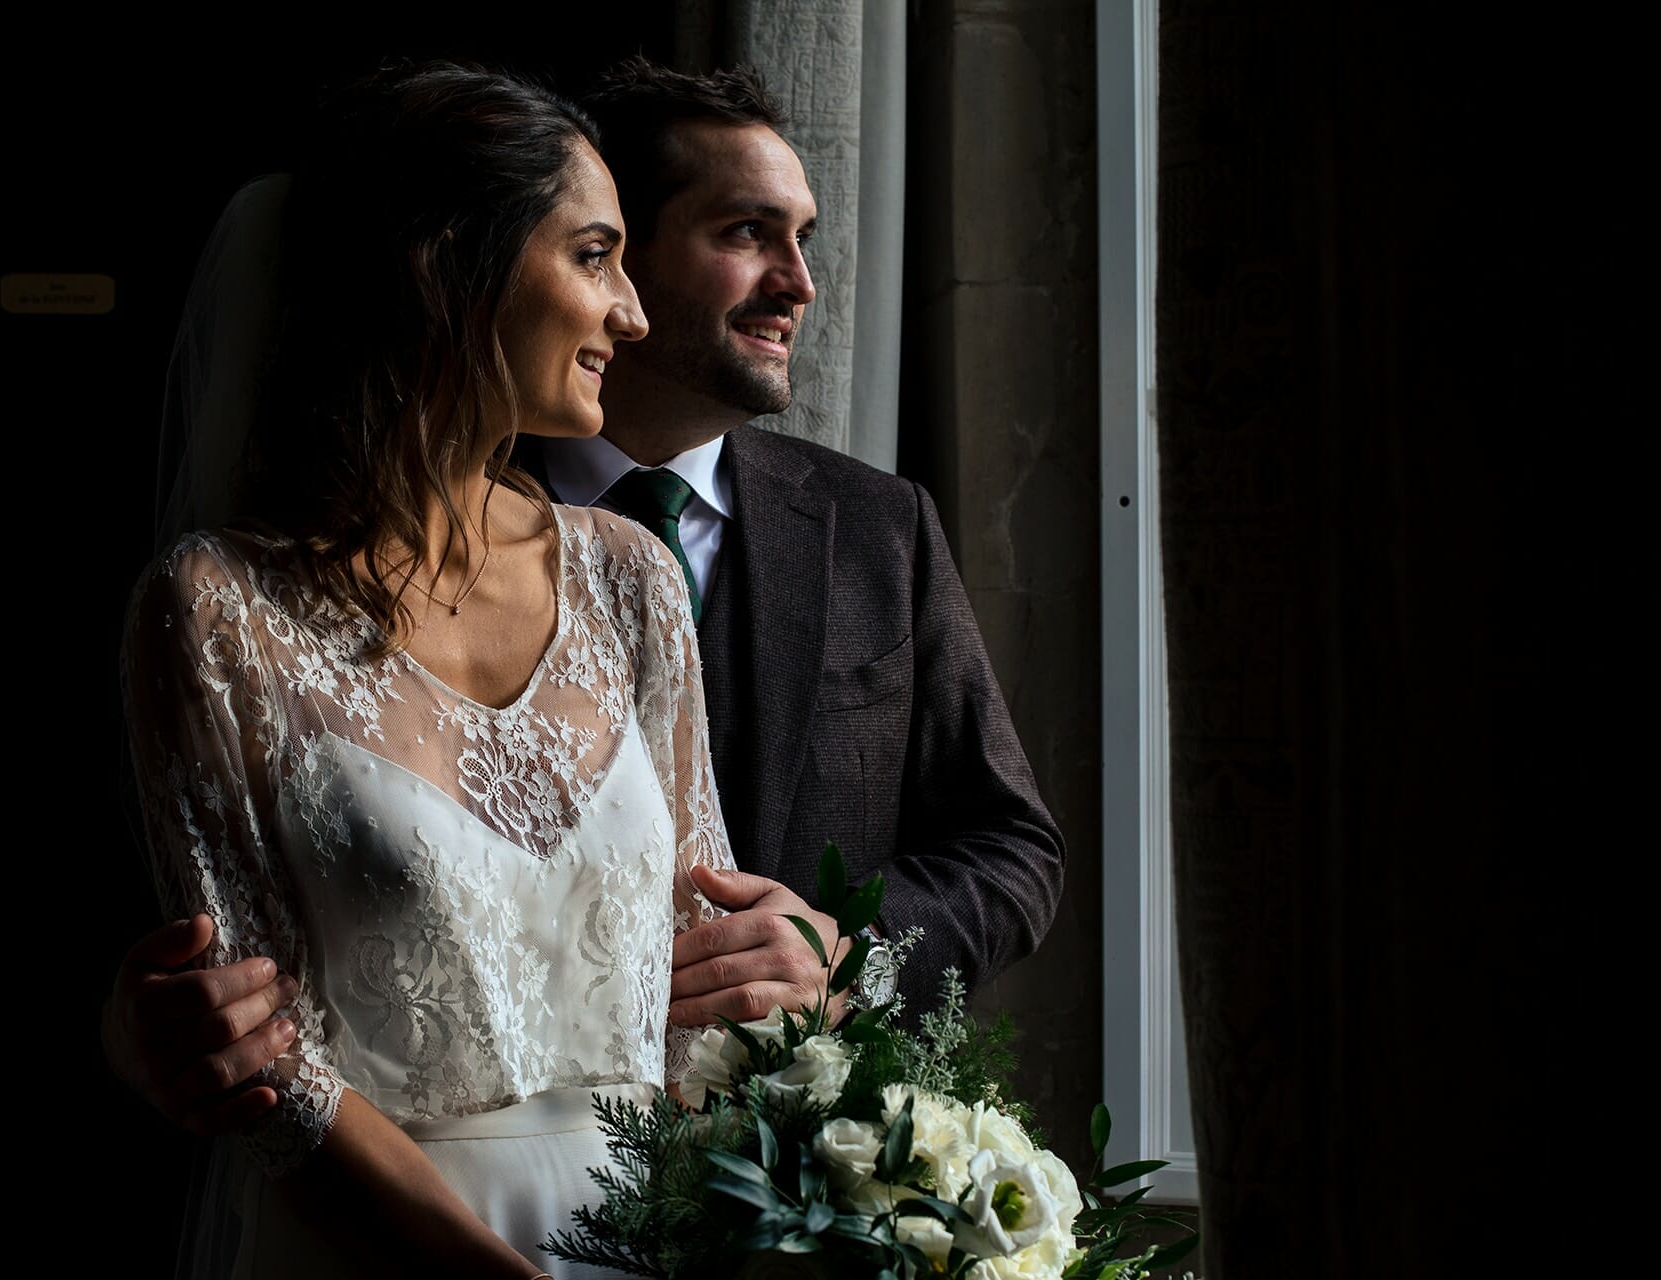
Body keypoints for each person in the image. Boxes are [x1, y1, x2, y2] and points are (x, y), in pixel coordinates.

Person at [106, 56, 1066, 1155]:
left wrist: (847, 953)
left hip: (765, 1187)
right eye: (747, 232)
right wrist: (144, 1027)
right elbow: (204, 912)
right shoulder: (284, 564)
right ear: (626, 252)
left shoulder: (878, 530)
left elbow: (1012, 845)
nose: (799, 280)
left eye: (804, 237)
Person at [122, 59, 728, 1278]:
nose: (636, 316)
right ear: (448, 262)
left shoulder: (632, 579)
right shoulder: (220, 610)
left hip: (649, 1240)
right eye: (595, 256)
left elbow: (702, 975)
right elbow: (262, 1049)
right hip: (371, 1242)